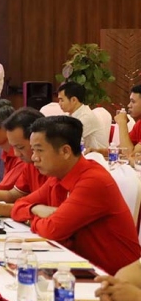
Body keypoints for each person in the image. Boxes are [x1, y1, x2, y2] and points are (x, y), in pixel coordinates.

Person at [11, 116, 141, 275]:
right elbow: (18, 206)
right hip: (78, 267)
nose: (33, 157)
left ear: (65, 151)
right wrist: (36, 209)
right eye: (33, 150)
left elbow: (51, 230)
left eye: (39, 150)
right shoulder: (58, 176)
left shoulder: (93, 181)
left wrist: (32, 218)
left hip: (115, 279)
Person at [56, 81, 109, 151]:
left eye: (62, 100)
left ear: (74, 100)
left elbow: (67, 139)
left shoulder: (86, 117)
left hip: (96, 155)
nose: (59, 103)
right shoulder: (72, 114)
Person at [117, 84, 141, 157]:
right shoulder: (139, 124)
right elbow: (121, 148)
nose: (129, 105)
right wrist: (98, 151)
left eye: (133, 102)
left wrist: (122, 122)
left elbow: (129, 154)